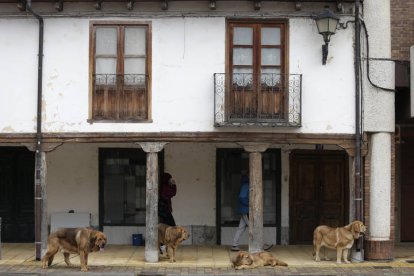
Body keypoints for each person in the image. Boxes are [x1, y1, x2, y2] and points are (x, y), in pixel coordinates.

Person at [231, 175, 273, 252]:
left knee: (241, 228)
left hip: (244, 210)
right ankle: (262, 245)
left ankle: (234, 244)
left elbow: (242, 198)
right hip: (246, 211)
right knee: (254, 227)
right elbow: (242, 198)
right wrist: (251, 204)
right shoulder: (246, 186)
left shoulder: (244, 185)